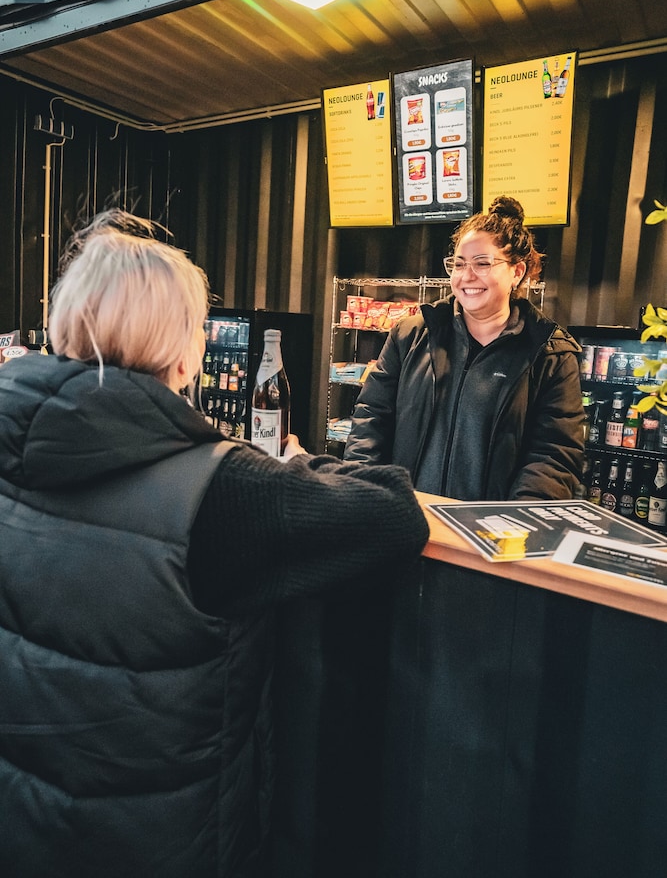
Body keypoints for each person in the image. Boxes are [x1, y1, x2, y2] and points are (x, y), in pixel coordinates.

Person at [0, 210, 429, 878]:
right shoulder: (223, 489)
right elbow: (394, 515)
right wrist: (299, 463)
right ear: (181, 349)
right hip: (165, 844)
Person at [344, 195, 584, 500]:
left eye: (482, 263)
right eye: (458, 264)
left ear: (517, 272)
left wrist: (512, 520)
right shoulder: (411, 335)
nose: (466, 276)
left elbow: (554, 456)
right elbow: (370, 421)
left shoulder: (550, 355)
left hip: (488, 527)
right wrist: (362, 497)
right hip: (407, 516)